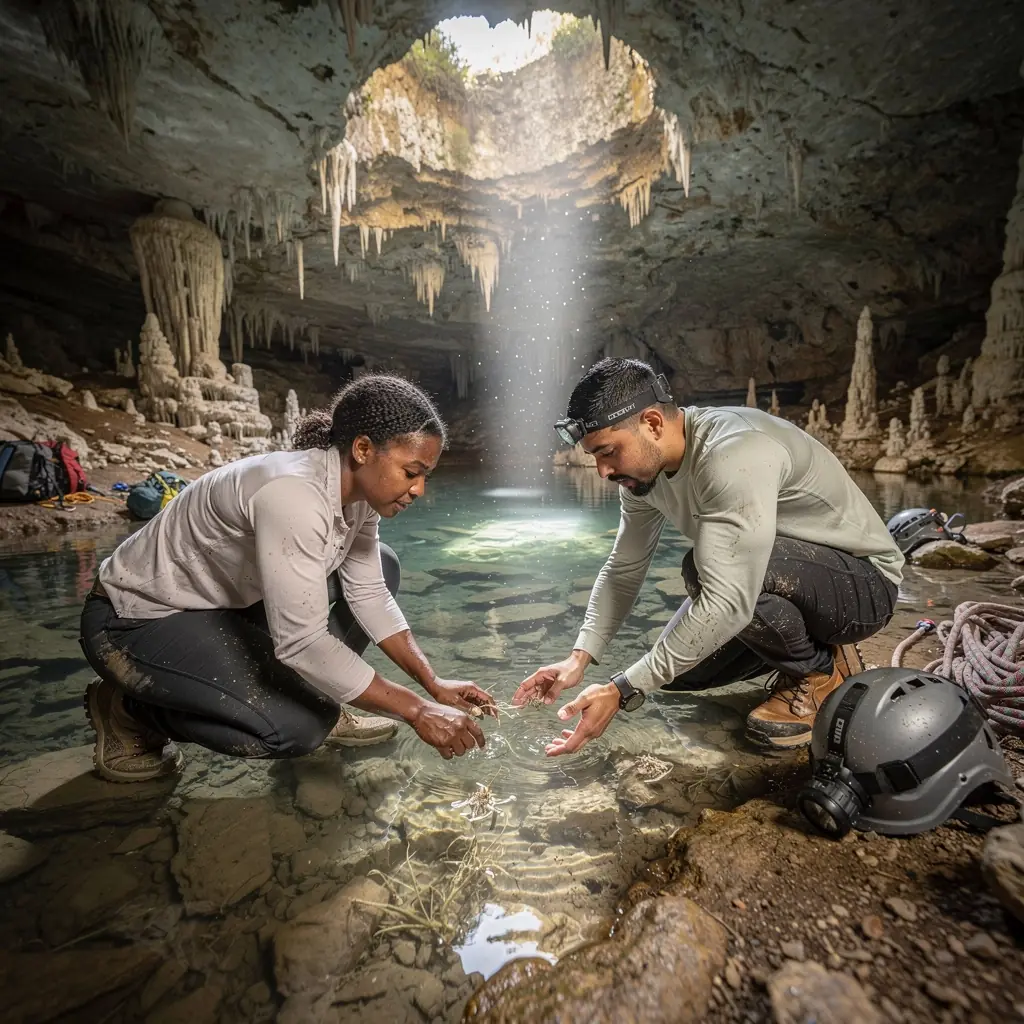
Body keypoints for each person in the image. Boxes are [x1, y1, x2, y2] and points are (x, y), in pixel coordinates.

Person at [80, 374, 494, 782]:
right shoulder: (293, 495)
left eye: (426, 476)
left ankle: (319, 695)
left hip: (220, 608)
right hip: (135, 618)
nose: (419, 489)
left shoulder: (359, 499)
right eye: (411, 472)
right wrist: (416, 709)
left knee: (381, 564)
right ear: (364, 449)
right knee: (296, 730)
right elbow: (302, 642)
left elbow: (368, 591)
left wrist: (432, 682)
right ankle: (128, 709)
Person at [515, 358, 903, 754]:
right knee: (680, 676)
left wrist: (623, 689)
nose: (601, 471)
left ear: (651, 423)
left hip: (864, 587)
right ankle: (807, 646)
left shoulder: (732, 453)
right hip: (788, 578)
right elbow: (624, 568)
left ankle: (820, 673)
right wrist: (580, 658)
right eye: (595, 456)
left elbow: (727, 598)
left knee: (701, 574)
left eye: (608, 452)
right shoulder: (642, 478)